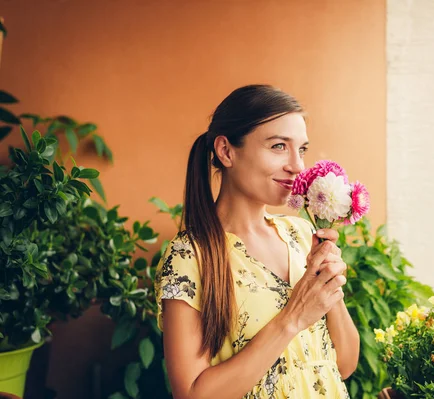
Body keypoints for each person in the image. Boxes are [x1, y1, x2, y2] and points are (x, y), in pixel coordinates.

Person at [153, 84, 360, 398]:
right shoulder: (190, 256)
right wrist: (293, 317)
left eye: (301, 149)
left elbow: (343, 365)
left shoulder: (302, 235)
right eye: (278, 146)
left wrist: (330, 285)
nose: (297, 165)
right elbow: (193, 394)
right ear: (226, 151)